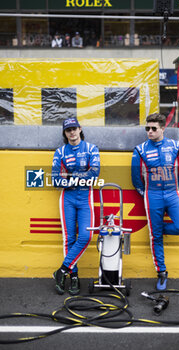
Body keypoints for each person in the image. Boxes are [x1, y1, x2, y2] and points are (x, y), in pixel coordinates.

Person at [131, 113, 179, 291]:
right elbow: (136, 178)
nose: (149, 131)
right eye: (147, 128)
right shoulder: (140, 149)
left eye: (153, 128)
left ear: (163, 128)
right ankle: (162, 272)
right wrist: (146, 194)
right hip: (152, 195)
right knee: (156, 238)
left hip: (173, 194)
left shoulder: (176, 145)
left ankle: (156, 228)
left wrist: (177, 190)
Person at [52, 117, 100, 295]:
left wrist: (70, 178)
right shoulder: (60, 152)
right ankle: (73, 276)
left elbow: (94, 173)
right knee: (69, 239)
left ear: (80, 129)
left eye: (74, 128)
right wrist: (80, 177)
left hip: (85, 197)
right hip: (68, 198)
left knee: (86, 236)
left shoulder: (91, 148)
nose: (72, 132)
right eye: (68, 130)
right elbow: (56, 179)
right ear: (65, 133)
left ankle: (62, 270)